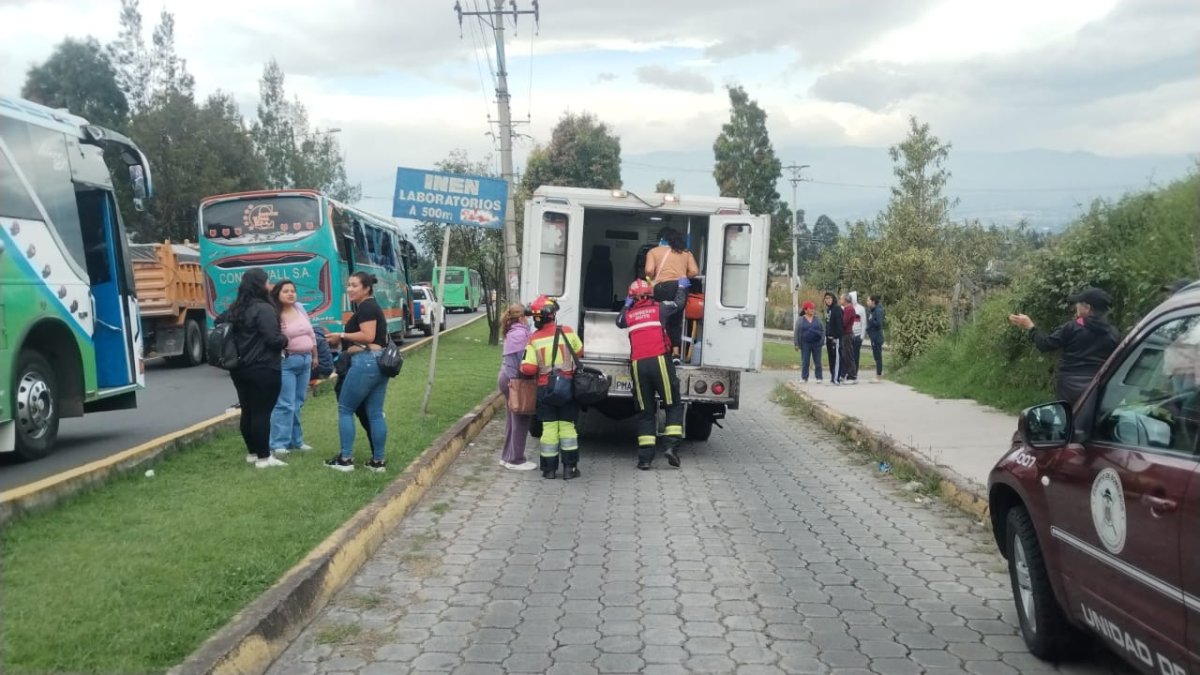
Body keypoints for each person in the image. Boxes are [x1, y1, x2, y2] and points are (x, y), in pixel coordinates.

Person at [217, 268, 289, 468]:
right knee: (262, 413)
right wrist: (285, 339)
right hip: (264, 366)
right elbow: (273, 339)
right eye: (267, 281)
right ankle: (264, 457)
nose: (270, 285)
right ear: (260, 285)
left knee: (248, 411)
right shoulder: (264, 309)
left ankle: (253, 453)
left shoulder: (235, 309)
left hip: (239, 368)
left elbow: (219, 322)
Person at [618, 277, 689, 470]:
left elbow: (619, 321)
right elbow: (679, 304)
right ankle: (671, 447)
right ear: (651, 294)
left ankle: (645, 459)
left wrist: (626, 305)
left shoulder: (629, 315)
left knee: (645, 413)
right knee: (673, 404)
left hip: (638, 365)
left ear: (632, 297)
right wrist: (681, 287)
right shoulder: (660, 309)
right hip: (659, 361)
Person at [1008, 286, 1121, 405]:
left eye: (1079, 303)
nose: (1076, 306)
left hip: (1069, 387)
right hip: (1097, 387)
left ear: (1087, 308)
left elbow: (1045, 344)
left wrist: (1030, 327)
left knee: (1067, 415)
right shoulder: (1113, 333)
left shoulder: (1072, 327)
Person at [325, 272, 390, 472]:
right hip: (379, 363)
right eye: (349, 285)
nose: (350, 289)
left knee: (345, 409)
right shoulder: (370, 306)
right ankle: (378, 461)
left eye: (354, 285)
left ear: (366, 288)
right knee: (375, 413)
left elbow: (368, 336)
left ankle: (345, 459)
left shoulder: (367, 307)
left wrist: (341, 335)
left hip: (366, 362)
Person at [520, 295, 584, 480]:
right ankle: (570, 469)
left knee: (548, 428)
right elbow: (579, 351)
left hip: (545, 389)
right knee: (567, 427)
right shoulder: (568, 331)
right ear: (553, 315)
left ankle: (549, 470)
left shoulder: (533, 339)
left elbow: (528, 368)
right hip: (567, 387)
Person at [268, 280, 318, 455]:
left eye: (292, 291)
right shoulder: (275, 313)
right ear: (278, 294)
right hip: (287, 362)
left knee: (298, 402)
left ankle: (296, 441)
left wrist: (315, 355)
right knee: (285, 403)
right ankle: (278, 443)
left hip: (305, 360)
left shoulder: (299, 308)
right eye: (285, 291)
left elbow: (311, 333)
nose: (290, 294)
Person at [643, 227, 699, 363]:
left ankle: (658, 350)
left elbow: (649, 270)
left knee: (659, 319)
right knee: (675, 321)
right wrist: (682, 276)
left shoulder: (654, 251)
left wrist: (653, 276)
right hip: (680, 288)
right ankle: (675, 353)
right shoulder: (686, 253)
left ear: (662, 239)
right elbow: (694, 271)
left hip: (662, 288)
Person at [498, 303, 537, 470]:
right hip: (516, 381)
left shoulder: (512, 331)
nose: (529, 319)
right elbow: (525, 361)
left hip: (506, 378)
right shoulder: (521, 335)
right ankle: (516, 460)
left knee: (512, 420)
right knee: (521, 419)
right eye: (527, 316)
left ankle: (506, 456)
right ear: (521, 318)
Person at [794, 300, 824, 383]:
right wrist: (796, 344)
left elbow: (822, 330)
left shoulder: (817, 319)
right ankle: (804, 377)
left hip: (817, 343)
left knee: (818, 361)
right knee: (805, 361)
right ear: (805, 310)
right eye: (811, 308)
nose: (813, 310)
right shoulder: (800, 320)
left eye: (813, 308)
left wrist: (822, 341)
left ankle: (819, 377)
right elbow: (796, 332)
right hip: (805, 343)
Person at [823, 291, 844, 384]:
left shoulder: (837, 309)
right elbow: (828, 324)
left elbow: (840, 324)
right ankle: (833, 376)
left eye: (829, 298)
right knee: (831, 359)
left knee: (836, 359)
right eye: (826, 298)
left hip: (836, 338)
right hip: (829, 337)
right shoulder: (829, 310)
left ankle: (836, 377)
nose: (828, 300)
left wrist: (836, 336)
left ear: (833, 299)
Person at [840, 293, 860, 383]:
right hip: (845, 335)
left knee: (848, 355)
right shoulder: (846, 309)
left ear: (846, 300)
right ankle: (846, 374)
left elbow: (844, 322)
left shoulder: (849, 309)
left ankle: (852, 376)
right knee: (845, 355)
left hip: (847, 334)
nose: (840, 300)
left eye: (841, 299)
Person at [866, 294, 885, 382]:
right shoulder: (872, 310)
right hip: (873, 336)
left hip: (877, 336)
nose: (867, 302)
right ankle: (878, 375)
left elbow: (879, 324)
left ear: (873, 301)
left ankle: (878, 376)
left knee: (878, 356)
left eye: (868, 300)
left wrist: (871, 321)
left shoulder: (878, 310)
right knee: (876, 356)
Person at [850, 291, 867, 374]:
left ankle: (854, 372)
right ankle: (848, 371)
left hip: (857, 335)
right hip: (848, 334)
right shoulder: (846, 308)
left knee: (856, 355)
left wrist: (862, 336)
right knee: (848, 354)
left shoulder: (861, 309)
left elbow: (864, 323)